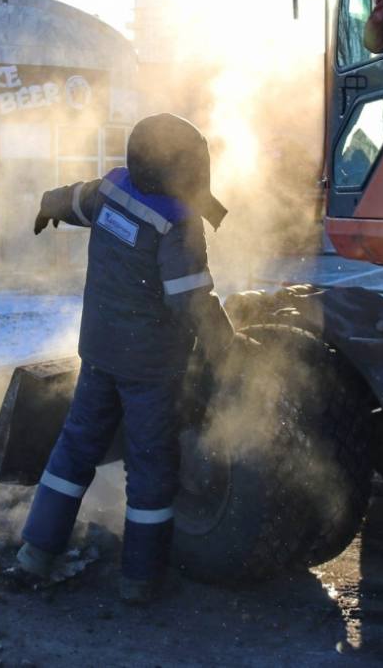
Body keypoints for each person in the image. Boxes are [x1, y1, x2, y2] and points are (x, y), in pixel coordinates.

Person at [16, 112, 237, 604]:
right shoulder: (176, 223)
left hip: (98, 353)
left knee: (74, 450)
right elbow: (191, 300)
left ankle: (35, 553)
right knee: (151, 467)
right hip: (150, 369)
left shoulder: (114, 189)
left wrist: (47, 205)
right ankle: (139, 580)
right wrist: (229, 350)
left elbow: (76, 198)